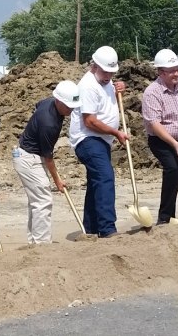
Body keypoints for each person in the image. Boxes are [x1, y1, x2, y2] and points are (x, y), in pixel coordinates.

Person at [69, 46, 128, 238]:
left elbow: (110, 90)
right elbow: (90, 121)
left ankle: (91, 227)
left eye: (112, 72)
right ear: (94, 66)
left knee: (96, 182)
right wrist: (116, 132)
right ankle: (107, 228)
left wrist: (119, 86)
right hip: (88, 139)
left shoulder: (105, 81)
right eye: (105, 71)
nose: (108, 75)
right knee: (105, 177)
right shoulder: (87, 86)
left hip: (102, 140)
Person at [13, 80, 81, 244]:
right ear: (58, 101)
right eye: (68, 106)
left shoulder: (48, 102)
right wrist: (57, 180)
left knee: (36, 201)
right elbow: (48, 157)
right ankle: (42, 244)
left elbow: (37, 105)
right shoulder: (48, 123)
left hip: (30, 155)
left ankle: (35, 242)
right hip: (29, 159)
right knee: (43, 200)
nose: (71, 109)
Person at [141, 49, 178, 225]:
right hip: (161, 140)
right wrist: (173, 143)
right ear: (160, 72)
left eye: (177, 69)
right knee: (172, 169)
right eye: (171, 71)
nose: (176, 74)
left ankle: (171, 215)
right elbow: (154, 124)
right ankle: (164, 218)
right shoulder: (152, 92)